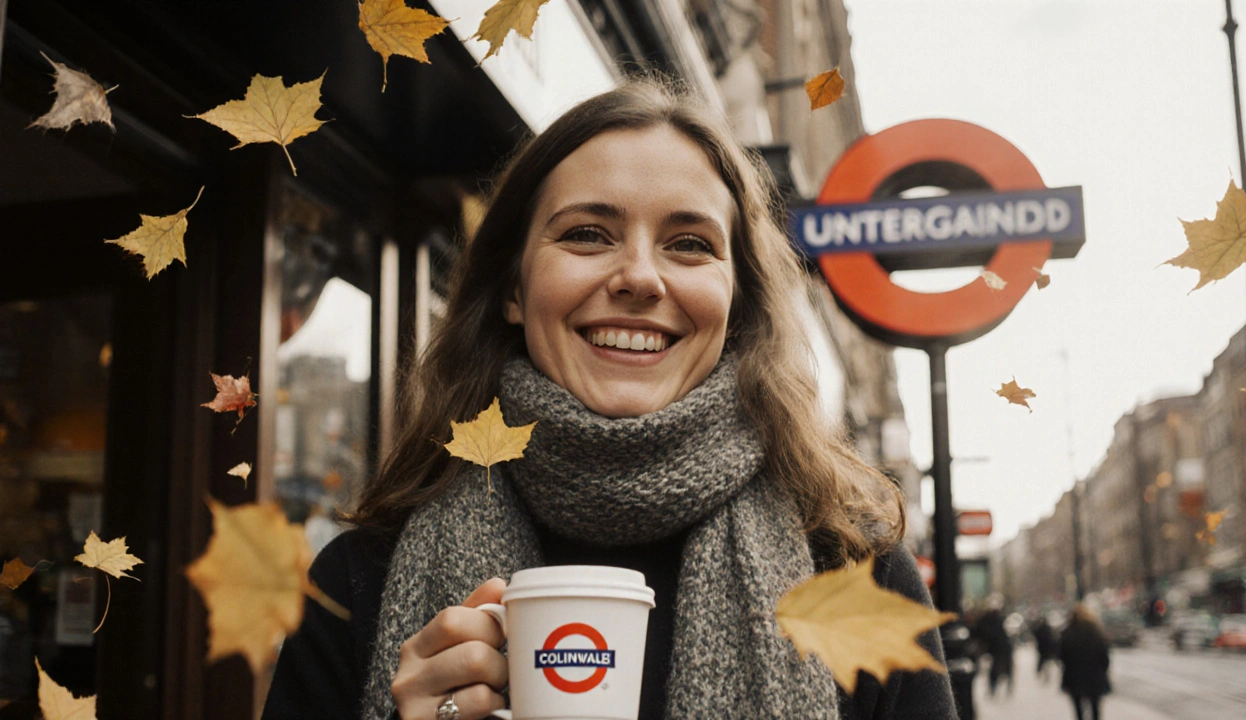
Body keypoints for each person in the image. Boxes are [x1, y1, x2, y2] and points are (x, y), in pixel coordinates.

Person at [261, 78, 958, 720]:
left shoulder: (854, 569)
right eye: (587, 234)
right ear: (511, 288)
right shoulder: (361, 581)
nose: (639, 277)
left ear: (737, 302)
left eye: (688, 244)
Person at [1058, 604, 1110, 720]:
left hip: (1074, 677)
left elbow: (1061, 656)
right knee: (1095, 708)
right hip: (1095, 676)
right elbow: (1104, 656)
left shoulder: (1067, 633)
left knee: (1078, 710)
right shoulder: (1097, 632)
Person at [973, 605, 1013, 699]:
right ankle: (995, 688)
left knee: (997, 670)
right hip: (997, 650)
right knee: (997, 670)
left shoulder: (993, 622)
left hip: (997, 650)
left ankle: (996, 688)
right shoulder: (995, 622)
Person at [1032, 614, 1058, 682]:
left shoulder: (1040, 628)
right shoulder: (1047, 629)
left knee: (1042, 661)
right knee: (1045, 662)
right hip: (1046, 648)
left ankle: (1040, 671)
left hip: (1042, 648)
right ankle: (1043, 673)